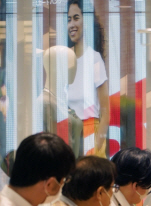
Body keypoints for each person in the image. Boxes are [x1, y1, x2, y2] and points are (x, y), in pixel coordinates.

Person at [67, 0, 109, 158]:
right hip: (68, 133)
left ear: (87, 20)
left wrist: (95, 145)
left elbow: (105, 112)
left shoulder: (94, 59)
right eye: (68, 19)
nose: (72, 24)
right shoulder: (64, 58)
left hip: (89, 131)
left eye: (76, 18)